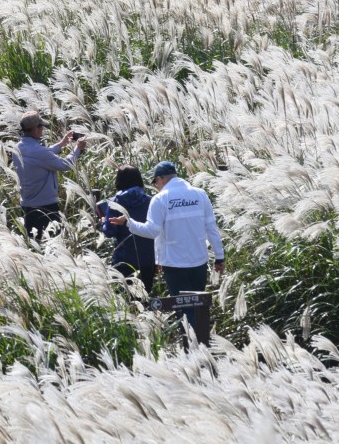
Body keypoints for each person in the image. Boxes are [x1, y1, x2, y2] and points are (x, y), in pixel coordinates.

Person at [109, 161, 225, 333]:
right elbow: (212, 228)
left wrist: (128, 222)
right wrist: (220, 257)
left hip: (174, 264)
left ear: (161, 178)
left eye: (155, 182)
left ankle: (192, 350)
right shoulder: (200, 195)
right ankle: (202, 345)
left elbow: (152, 231)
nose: (156, 187)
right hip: (199, 261)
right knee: (198, 307)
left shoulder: (161, 199)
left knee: (183, 310)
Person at [12, 110, 86, 241]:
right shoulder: (38, 152)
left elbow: (42, 154)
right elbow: (64, 165)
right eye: (41, 127)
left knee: (35, 247)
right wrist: (78, 149)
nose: (43, 130)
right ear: (35, 130)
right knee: (52, 247)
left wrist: (62, 143)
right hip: (45, 208)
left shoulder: (18, 148)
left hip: (28, 206)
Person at [98, 165, 156, 293]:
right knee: (145, 301)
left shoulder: (115, 203)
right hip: (148, 259)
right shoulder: (151, 201)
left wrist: (103, 223)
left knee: (124, 302)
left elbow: (109, 231)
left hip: (123, 259)